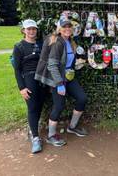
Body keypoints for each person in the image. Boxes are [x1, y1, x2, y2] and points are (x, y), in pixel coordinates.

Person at [35, 18, 88, 146]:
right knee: (59, 106)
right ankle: (51, 135)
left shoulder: (70, 41)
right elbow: (52, 66)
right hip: (57, 79)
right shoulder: (57, 42)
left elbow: (69, 61)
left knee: (82, 98)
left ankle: (72, 127)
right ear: (59, 29)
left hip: (69, 77)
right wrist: (59, 84)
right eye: (64, 27)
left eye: (69, 27)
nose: (67, 29)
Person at [13, 19, 44, 153]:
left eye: (34, 29)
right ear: (23, 30)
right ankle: (35, 138)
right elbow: (17, 69)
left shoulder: (41, 44)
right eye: (29, 29)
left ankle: (32, 129)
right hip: (29, 79)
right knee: (32, 107)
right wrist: (22, 88)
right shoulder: (19, 46)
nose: (32, 31)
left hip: (42, 79)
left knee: (39, 106)